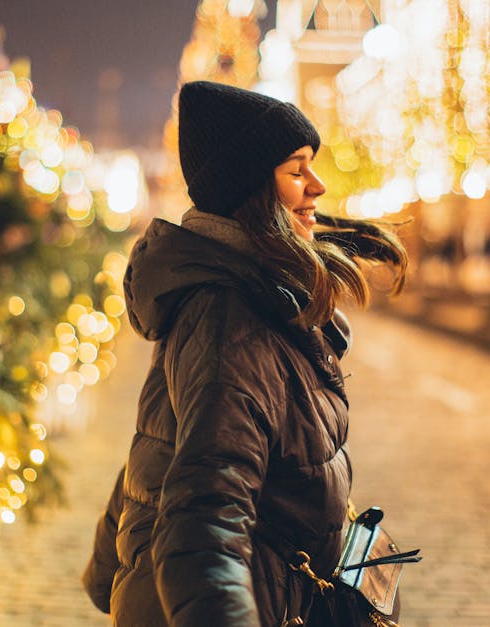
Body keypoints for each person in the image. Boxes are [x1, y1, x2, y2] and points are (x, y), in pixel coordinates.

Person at [82, 81, 408, 626]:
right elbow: (205, 519)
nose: (318, 186)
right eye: (296, 170)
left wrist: (107, 565)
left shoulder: (244, 291)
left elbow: (179, 444)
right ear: (252, 189)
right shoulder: (234, 317)